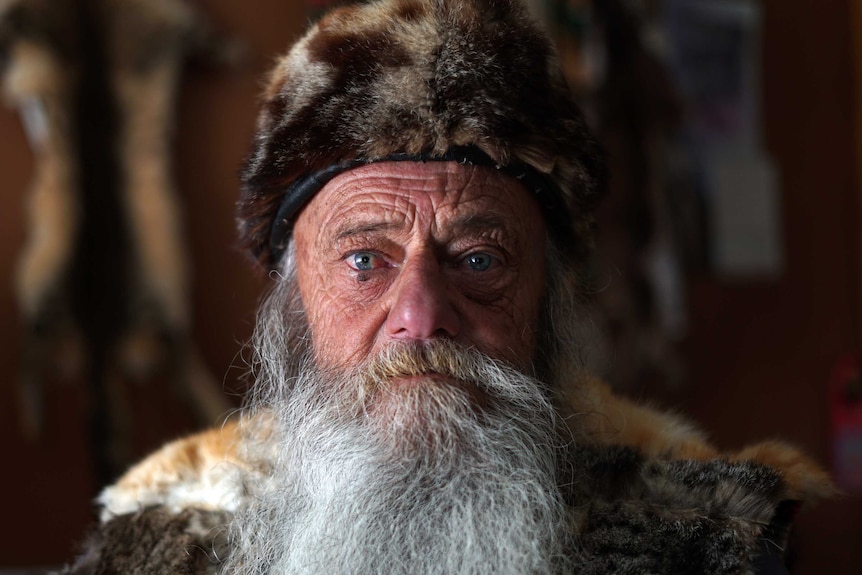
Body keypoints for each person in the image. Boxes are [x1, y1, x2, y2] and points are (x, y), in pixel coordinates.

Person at [62, 0, 832, 573]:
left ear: (548, 302)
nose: (422, 317)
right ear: (295, 310)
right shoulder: (156, 543)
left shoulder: (711, 540)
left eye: (478, 260)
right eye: (365, 261)